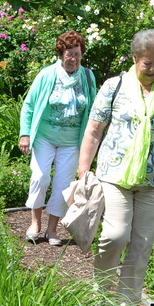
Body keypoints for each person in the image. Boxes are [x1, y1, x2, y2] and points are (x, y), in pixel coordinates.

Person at [77, 29, 154, 306]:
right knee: (116, 235)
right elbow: (93, 131)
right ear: (135, 58)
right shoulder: (113, 87)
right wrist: (83, 171)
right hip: (115, 176)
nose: (152, 69)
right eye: (147, 63)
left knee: (142, 242)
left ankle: (126, 300)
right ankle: (101, 292)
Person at [19, 30, 98, 245]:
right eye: (69, 54)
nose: (73, 59)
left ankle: (52, 230)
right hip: (45, 136)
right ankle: (35, 222)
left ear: (82, 55)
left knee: (63, 185)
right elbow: (29, 105)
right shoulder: (47, 75)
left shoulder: (88, 78)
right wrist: (25, 134)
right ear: (61, 54)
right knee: (40, 177)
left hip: (72, 141)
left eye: (77, 54)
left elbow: (94, 111)